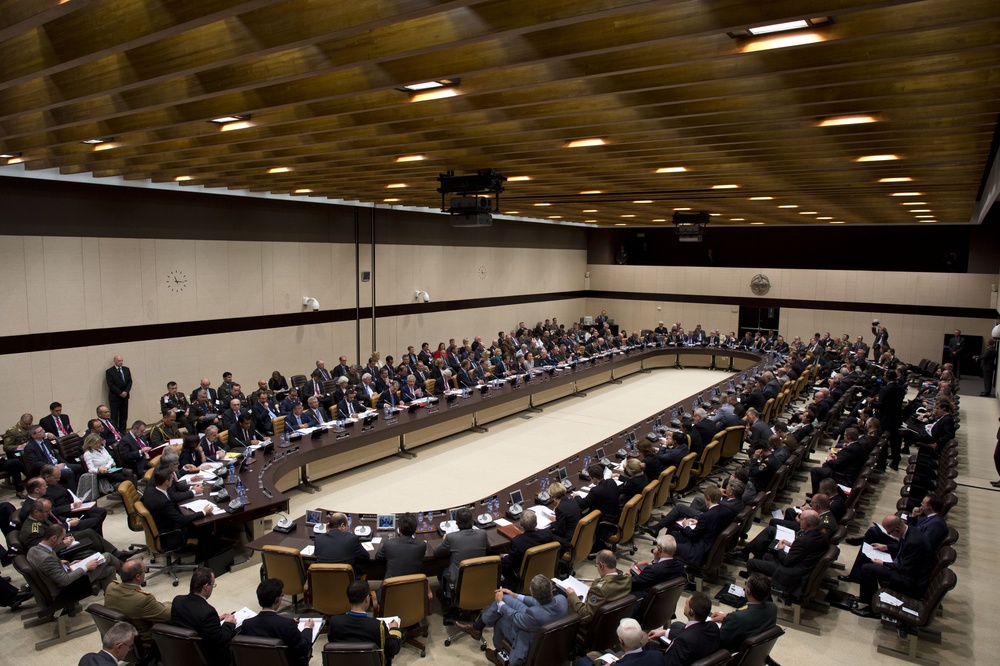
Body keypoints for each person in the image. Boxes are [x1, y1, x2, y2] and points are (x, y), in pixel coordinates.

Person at [454, 574, 568, 666]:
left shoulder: (533, 614)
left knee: (500, 619)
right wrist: (515, 595)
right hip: (551, 639)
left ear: (533, 593)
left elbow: (514, 617)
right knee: (506, 597)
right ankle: (477, 627)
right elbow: (538, 602)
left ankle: (499, 655)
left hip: (532, 641)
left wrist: (500, 603)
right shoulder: (561, 599)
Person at [851, 515, 933, 618]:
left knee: (868, 569)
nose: (890, 535)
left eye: (889, 533)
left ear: (897, 529)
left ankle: (872, 609)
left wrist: (884, 563)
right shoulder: (909, 530)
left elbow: (905, 569)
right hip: (905, 569)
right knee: (867, 558)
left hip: (911, 581)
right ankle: (866, 598)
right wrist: (885, 547)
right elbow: (902, 547)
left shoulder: (914, 542)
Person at [745, 510, 828, 597]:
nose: (799, 520)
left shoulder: (803, 541)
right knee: (766, 556)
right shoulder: (822, 536)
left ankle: (757, 593)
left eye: (801, 519)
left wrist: (780, 549)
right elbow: (808, 549)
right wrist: (792, 545)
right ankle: (762, 582)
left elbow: (786, 561)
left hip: (791, 573)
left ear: (809, 523)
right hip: (802, 567)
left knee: (751, 563)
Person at [103, 557, 171, 660]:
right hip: (147, 644)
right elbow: (168, 616)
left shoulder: (111, 587)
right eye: (144, 570)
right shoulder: (143, 599)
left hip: (121, 639)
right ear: (138, 576)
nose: (145, 573)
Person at [28, 524, 119, 599]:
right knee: (107, 556)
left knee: (110, 569)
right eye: (62, 539)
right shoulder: (47, 559)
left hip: (64, 575)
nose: (62, 542)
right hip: (65, 589)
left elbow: (50, 571)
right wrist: (85, 567)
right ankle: (128, 575)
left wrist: (67, 566)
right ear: (54, 538)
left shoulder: (33, 550)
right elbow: (64, 581)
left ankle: (112, 600)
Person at [170, 567, 237, 664]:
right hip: (207, 658)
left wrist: (216, 619)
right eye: (213, 585)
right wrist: (229, 624)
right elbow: (221, 640)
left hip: (181, 653)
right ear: (206, 587)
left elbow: (193, 621)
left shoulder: (177, 601)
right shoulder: (208, 612)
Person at [241, 578, 314, 666]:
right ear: (276, 600)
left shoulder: (246, 624)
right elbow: (303, 648)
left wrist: (288, 623)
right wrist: (307, 628)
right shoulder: (287, 625)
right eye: (282, 595)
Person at [327, 580, 402, 662]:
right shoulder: (377, 626)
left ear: (348, 599)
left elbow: (333, 647)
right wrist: (394, 629)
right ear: (367, 599)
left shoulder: (334, 622)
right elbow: (392, 649)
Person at [434, 507, 490, 606]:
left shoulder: (451, 537)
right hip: (481, 577)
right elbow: (488, 549)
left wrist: (444, 540)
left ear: (457, 523)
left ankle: (449, 599)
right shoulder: (482, 534)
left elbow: (437, 553)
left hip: (459, 581)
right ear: (472, 522)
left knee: (440, 569)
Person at [708, 573, 778, 652]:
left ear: (748, 591)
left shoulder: (736, 619)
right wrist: (727, 616)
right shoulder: (773, 608)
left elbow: (717, 642)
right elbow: (750, 617)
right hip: (753, 655)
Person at [565, 550, 631, 629]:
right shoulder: (627, 579)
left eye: (596, 565)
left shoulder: (599, 589)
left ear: (601, 565)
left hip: (591, 627)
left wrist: (572, 595)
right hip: (614, 622)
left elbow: (586, 615)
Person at [654, 591, 721, 666]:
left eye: (686, 603)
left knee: (650, 646)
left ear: (691, 611)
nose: (684, 605)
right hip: (697, 655)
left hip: (670, 659)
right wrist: (665, 632)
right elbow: (690, 634)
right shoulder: (713, 626)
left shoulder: (684, 641)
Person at [500, 509, 556, 589]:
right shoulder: (547, 534)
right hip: (545, 568)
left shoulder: (517, 542)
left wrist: (504, 556)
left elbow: (510, 563)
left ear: (521, 524)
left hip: (524, 574)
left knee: (503, 563)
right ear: (536, 523)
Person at [629, 535, 685, 603]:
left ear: (659, 549)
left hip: (643, 601)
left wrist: (628, 576)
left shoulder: (652, 570)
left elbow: (634, 583)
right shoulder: (680, 566)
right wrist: (656, 560)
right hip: (663, 603)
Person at [375, 512, 427, 580]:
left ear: (399, 529)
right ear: (415, 529)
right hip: (413, 587)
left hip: (391, 589)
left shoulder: (389, 544)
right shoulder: (422, 545)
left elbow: (378, 557)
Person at [548, 482, 580, 552]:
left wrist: (554, 522)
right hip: (576, 534)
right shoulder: (572, 500)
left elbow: (560, 530)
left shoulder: (559, 508)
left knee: (547, 534)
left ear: (553, 497)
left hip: (568, 538)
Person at [105, 355, 133, 433]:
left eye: (121, 360)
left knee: (124, 415)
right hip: (115, 397)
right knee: (114, 416)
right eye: (119, 361)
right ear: (115, 361)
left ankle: (123, 431)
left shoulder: (126, 369)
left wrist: (126, 392)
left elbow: (130, 382)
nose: (121, 362)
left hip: (125, 397)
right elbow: (110, 384)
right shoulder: (110, 371)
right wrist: (120, 393)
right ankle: (115, 432)